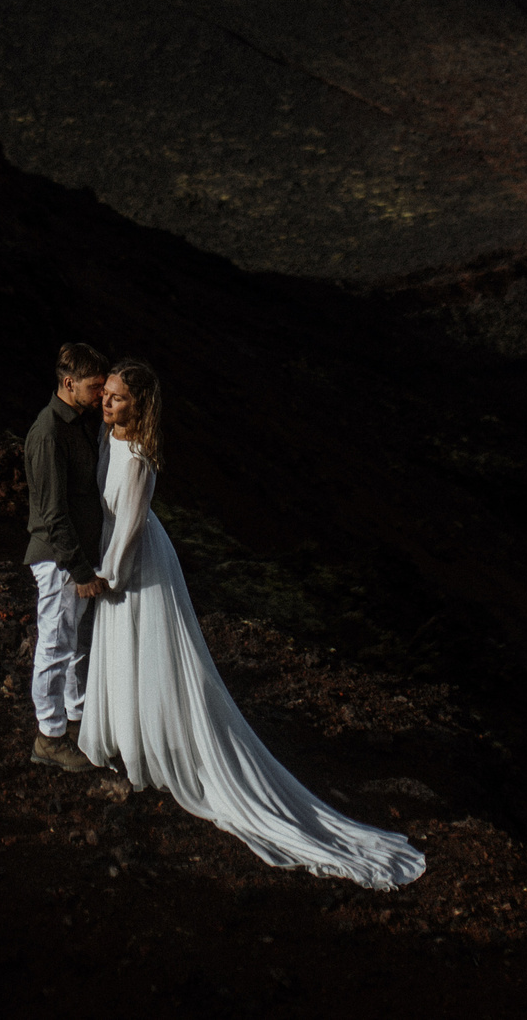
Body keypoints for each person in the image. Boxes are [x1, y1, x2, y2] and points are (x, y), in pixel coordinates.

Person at [80, 359, 426, 890]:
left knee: (148, 652)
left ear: (138, 404)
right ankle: (131, 740)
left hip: (136, 566)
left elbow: (129, 527)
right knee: (122, 650)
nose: (106, 403)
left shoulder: (140, 457)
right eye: (105, 394)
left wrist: (110, 576)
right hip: (115, 556)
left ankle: (150, 744)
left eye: (117, 398)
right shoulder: (107, 441)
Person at [23, 341, 108, 772]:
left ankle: (74, 723)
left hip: (74, 558)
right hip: (58, 560)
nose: (100, 395)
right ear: (68, 382)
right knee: (56, 644)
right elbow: (52, 513)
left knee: (75, 643)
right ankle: (49, 737)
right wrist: (79, 570)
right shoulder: (49, 431)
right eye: (94, 387)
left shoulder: (75, 423)